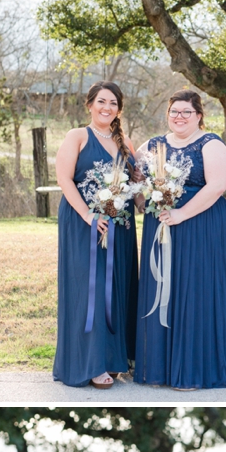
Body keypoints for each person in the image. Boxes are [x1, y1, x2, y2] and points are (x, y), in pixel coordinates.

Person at [134, 90, 226, 389]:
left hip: (201, 226)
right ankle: (158, 369)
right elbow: (136, 181)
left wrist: (181, 214)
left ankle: (191, 372)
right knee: (161, 288)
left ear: (199, 115)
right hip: (161, 224)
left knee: (194, 292)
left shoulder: (211, 144)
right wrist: (142, 200)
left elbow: (216, 187)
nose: (179, 117)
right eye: (174, 111)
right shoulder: (152, 145)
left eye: (186, 112)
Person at [53, 81, 139, 388]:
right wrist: (89, 215)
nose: (107, 108)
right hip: (83, 224)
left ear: (119, 109)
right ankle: (89, 364)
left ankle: (115, 360)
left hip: (121, 226)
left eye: (113, 103)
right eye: (101, 101)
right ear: (89, 104)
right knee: (89, 291)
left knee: (116, 289)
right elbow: (64, 178)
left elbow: (135, 184)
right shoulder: (77, 136)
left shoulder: (126, 142)